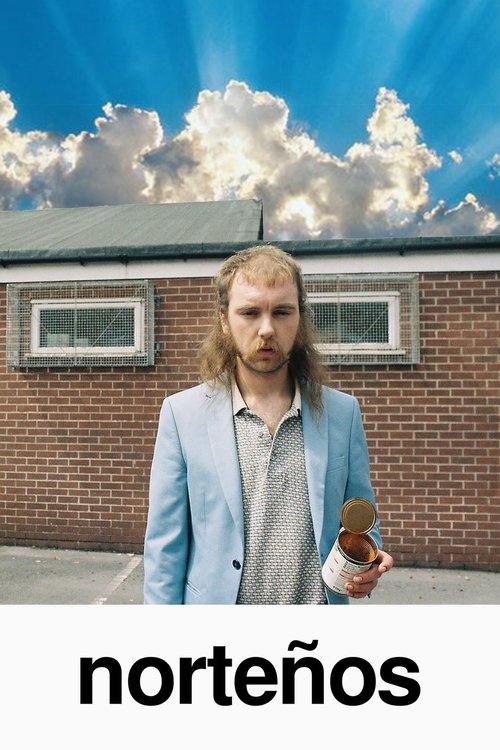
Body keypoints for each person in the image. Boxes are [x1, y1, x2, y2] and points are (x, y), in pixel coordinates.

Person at [144, 244, 393, 604]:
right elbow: (164, 551)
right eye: (249, 312)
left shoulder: (342, 413)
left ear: (299, 318)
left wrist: (367, 565)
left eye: (281, 312)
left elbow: (361, 522)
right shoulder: (182, 415)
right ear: (224, 320)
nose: (266, 329)